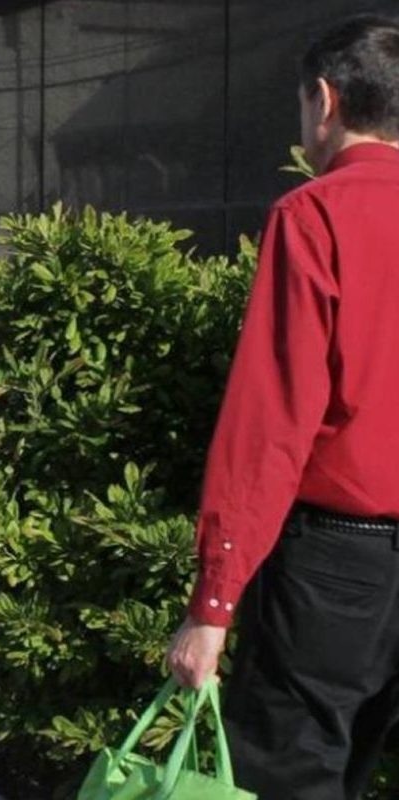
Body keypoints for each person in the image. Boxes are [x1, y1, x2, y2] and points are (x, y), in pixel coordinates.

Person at [165, 14, 399, 799]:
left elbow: (271, 423)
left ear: (324, 101)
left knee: (289, 774)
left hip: (333, 573)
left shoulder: (316, 214)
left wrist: (214, 601)